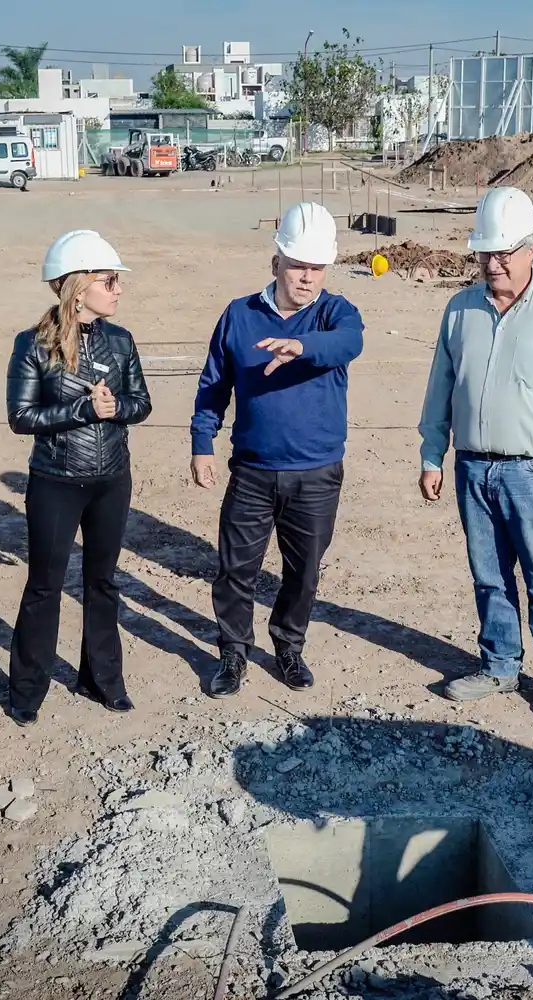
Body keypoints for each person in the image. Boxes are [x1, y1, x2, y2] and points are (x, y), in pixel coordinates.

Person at [417, 187, 533, 726]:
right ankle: (499, 664)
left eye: (504, 252)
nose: (493, 262)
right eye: (485, 252)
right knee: (489, 574)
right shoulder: (460, 310)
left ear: (532, 249)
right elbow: (440, 390)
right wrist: (433, 454)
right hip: (472, 467)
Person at [191, 202, 364, 699]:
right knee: (235, 569)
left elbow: (348, 344)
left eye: (316, 268)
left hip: (317, 472)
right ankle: (232, 651)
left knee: (304, 571)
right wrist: (203, 441)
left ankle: (288, 644)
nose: (307, 278)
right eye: (298, 266)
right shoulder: (240, 315)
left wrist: (301, 348)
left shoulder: (336, 312)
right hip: (252, 470)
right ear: (276, 262)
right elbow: (213, 383)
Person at [4, 230, 150, 726]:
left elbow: (140, 403)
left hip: (112, 479)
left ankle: (102, 680)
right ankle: (26, 691)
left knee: (103, 583)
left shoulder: (121, 340)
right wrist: (82, 410)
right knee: (44, 586)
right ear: (78, 286)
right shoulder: (32, 345)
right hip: (56, 482)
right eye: (109, 281)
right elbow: (21, 416)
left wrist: (114, 409)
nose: (118, 290)